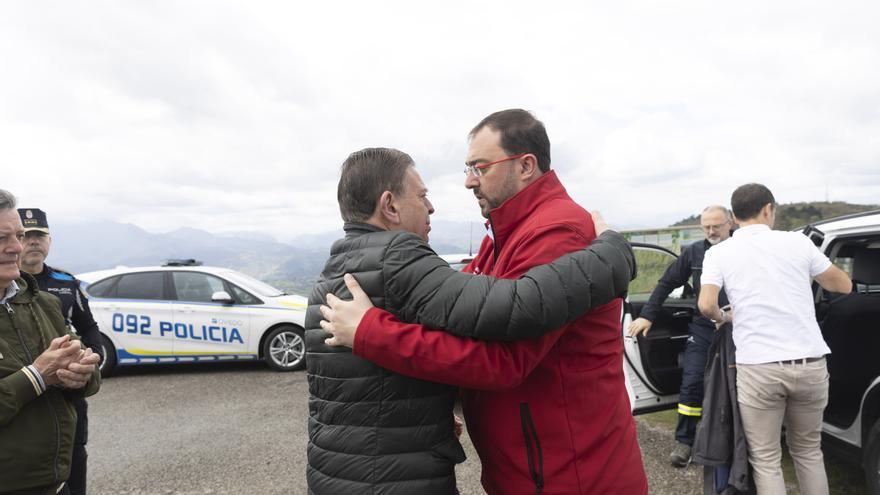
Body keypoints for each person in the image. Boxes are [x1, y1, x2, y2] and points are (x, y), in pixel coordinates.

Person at [320, 110, 648, 494]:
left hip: (571, 475)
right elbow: (458, 314)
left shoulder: (557, 231)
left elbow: (503, 361)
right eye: (467, 168)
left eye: (480, 167)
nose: (468, 181)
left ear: (526, 165)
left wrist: (371, 332)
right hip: (530, 470)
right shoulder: (504, 234)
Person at [699, 183, 852, 494]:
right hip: (809, 363)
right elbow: (843, 285)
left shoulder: (719, 252)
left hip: (759, 368)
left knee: (767, 458)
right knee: (809, 452)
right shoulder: (798, 243)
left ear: (734, 216)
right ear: (768, 209)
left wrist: (724, 317)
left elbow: (705, 304)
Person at [0, 189, 101, 495]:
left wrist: (81, 375)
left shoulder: (44, 302)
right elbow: (40, 374)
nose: (17, 247)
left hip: (55, 483)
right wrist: (36, 375)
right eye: (2, 237)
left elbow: (89, 367)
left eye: (18, 236)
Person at [628, 205, 733, 467]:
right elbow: (666, 283)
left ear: (730, 223)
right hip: (703, 327)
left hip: (737, 328)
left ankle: (732, 442)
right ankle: (685, 441)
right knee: (692, 380)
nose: (711, 231)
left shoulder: (743, 249)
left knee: (735, 385)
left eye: (716, 226)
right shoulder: (695, 252)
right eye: (706, 226)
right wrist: (648, 315)